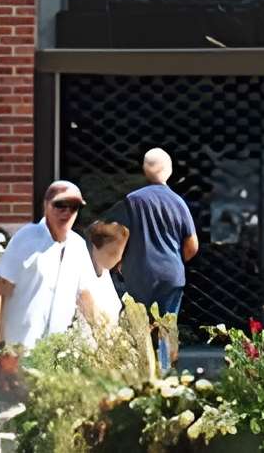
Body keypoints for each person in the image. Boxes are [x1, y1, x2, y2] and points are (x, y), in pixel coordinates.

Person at [0, 180, 92, 392]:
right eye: (60, 205)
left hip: (57, 354)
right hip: (21, 353)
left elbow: (85, 297)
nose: (67, 212)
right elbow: (1, 294)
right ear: (46, 205)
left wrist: (102, 342)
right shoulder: (26, 239)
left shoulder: (78, 246)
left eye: (74, 207)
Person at [116, 149, 200, 369]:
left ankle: (140, 375)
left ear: (144, 170)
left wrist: (120, 264)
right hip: (171, 275)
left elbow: (119, 238)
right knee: (166, 326)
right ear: (170, 170)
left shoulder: (132, 201)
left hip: (139, 274)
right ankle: (165, 377)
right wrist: (175, 260)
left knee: (138, 327)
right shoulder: (178, 202)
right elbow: (193, 245)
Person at [74, 218, 130, 328]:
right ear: (96, 246)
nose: (118, 258)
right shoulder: (81, 265)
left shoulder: (104, 270)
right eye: (112, 253)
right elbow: (87, 306)